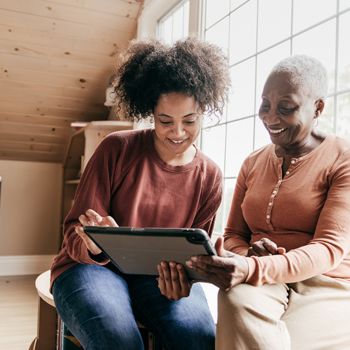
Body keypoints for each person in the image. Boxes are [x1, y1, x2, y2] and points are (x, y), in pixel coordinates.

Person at [50, 38, 230, 350]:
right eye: (165, 121)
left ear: (203, 111)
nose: (177, 132)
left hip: (159, 278)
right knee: (118, 339)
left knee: (198, 338)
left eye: (189, 121)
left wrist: (187, 277)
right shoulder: (117, 148)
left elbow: (195, 256)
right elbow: (73, 235)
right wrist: (92, 245)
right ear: (150, 112)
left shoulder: (209, 175)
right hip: (92, 269)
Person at [187, 55, 350, 350]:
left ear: (318, 108)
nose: (270, 117)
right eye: (265, 104)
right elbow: (235, 234)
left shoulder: (343, 159)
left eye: (286, 108)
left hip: (326, 281)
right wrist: (248, 253)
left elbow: (329, 248)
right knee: (234, 298)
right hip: (265, 278)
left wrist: (254, 268)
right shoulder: (253, 162)